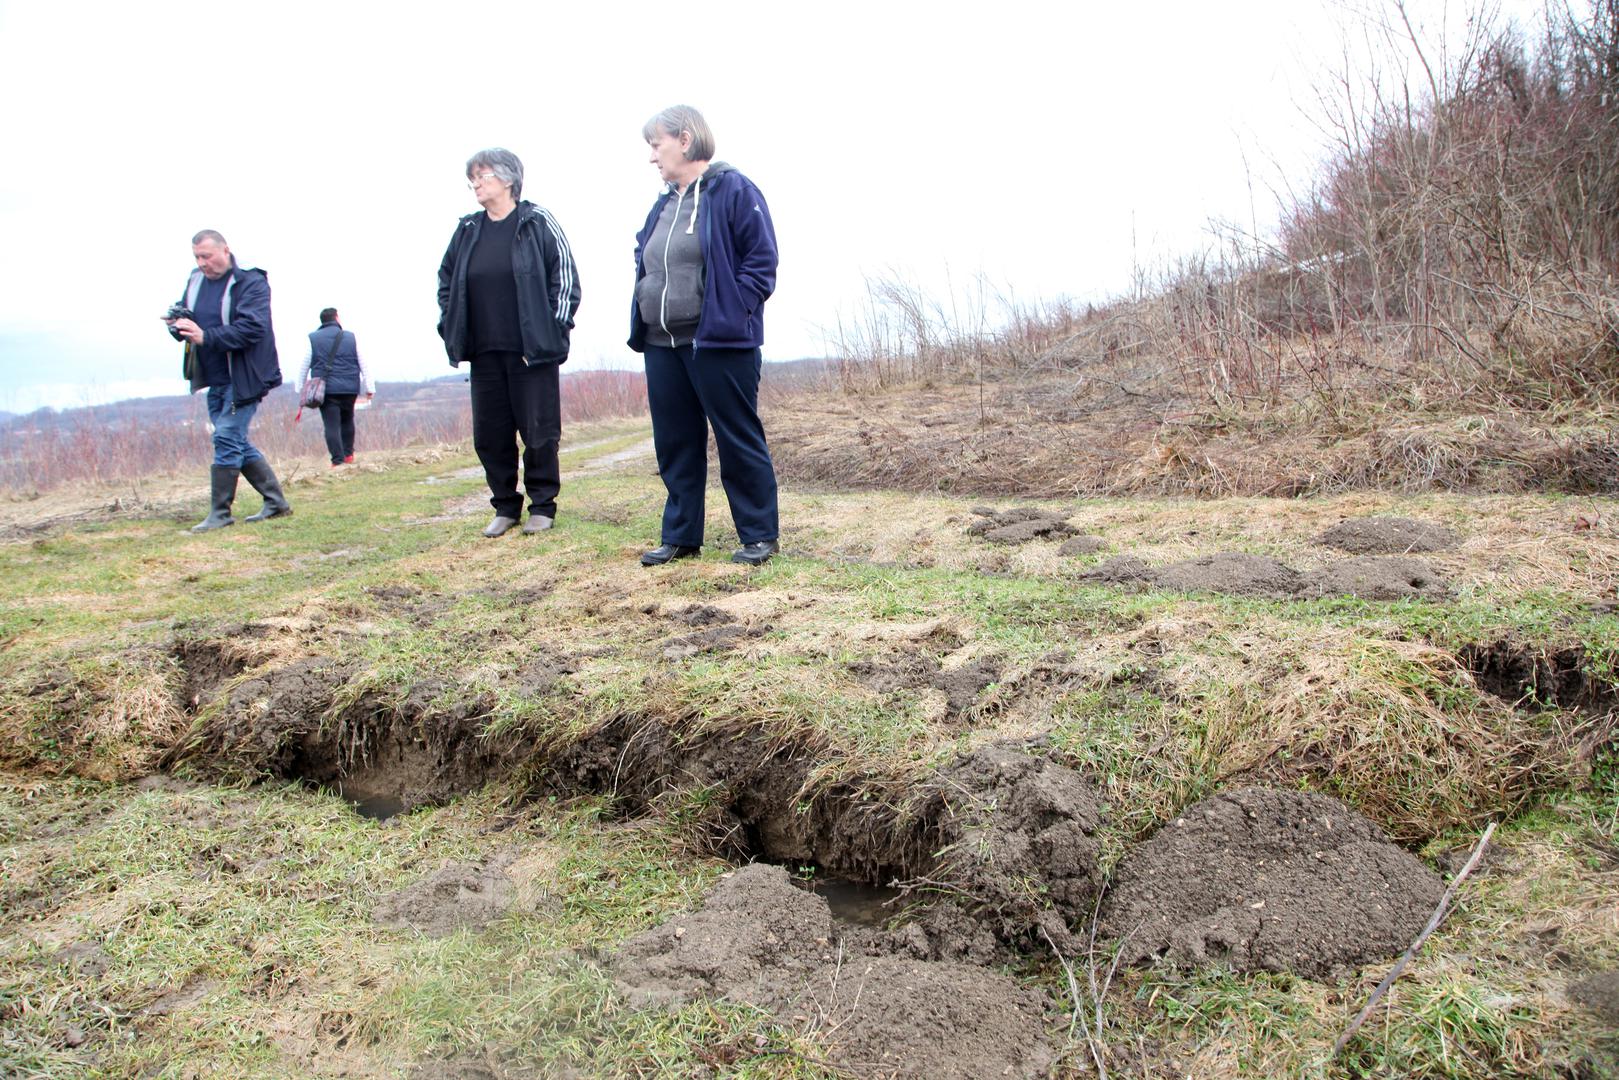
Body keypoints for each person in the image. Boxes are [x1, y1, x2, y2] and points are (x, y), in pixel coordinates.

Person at [630, 105, 781, 567]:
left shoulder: (734, 189)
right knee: (675, 443)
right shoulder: (663, 204)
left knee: (737, 437)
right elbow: (646, 254)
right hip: (662, 343)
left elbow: (761, 261)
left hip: (719, 342)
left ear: (685, 140)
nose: (652, 156)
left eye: (656, 145)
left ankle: (759, 535)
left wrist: (733, 312)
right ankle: (681, 536)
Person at [436, 148, 580, 538]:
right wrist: (450, 324)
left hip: (531, 352)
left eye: (482, 176)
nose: (475, 184)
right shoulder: (468, 230)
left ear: (507, 179)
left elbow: (565, 279)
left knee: (539, 432)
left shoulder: (536, 222)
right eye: (472, 178)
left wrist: (553, 331)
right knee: (490, 435)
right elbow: (446, 281)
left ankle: (542, 506)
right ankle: (504, 506)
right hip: (483, 352)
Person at [165, 229, 291, 531]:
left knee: (226, 436)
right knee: (233, 439)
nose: (202, 263)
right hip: (214, 374)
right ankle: (276, 503)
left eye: (206, 256)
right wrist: (177, 324)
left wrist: (206, 336)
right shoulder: (195, 280)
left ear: (225, 250)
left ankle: (220, 513)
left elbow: (253, 327)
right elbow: (191, 316)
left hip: (246, 375)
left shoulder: (251, 281)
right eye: (197, 257)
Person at [300, 308, 375, 466]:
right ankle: (348, 455)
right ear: (337, 318)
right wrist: (370, 388)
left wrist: (301, 388)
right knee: (347, 420)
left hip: (326, 390)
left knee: (331, 425)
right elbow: (364, 363)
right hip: (350, 388)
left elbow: (304, 365)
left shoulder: (313, 338)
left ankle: (337, 460)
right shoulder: (351, 337)